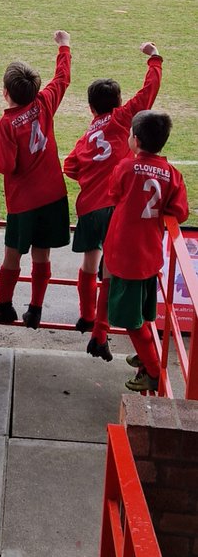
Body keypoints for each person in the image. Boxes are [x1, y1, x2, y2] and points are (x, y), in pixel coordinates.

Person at [64, 43, 163, 360]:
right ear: (119, 102)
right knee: (109, 271)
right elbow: (149, 94)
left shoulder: (86, 135)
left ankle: (85, 315)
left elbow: (69, 165)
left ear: (91, 108)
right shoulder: (123, 118)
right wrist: (154, 58)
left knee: (88, 263)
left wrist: (87, 179)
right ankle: (100, 332)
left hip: (88, 209)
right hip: (115, 208)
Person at [0, 31, 72, 328]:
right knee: (42, 253)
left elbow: (7, 165)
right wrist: (64, 47)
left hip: (23, 201)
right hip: (53, 194)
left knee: (12, 254)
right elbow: (62, 80)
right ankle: (35, 309)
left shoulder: (5, 124)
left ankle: (3, 305)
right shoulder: (45, 102)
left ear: (5, 92)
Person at [103, 111, 188, 393]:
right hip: (150, 255)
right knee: (143, 311)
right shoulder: (173, 174)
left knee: (130, 320)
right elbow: (180, 212)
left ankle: (152, 371)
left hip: (125, 258)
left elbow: (113, 194)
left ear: (135, 140)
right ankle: (146, 354)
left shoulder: (125, 168)